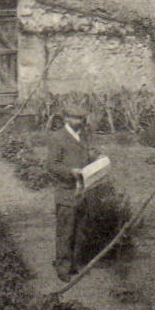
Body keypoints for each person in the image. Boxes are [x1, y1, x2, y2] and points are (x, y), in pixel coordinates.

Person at [44, 101, 96, 279]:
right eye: (75, 118)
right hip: (66, 190)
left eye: (81, 118)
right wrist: (70, 172)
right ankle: (63, 268)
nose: (79, 121)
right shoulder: (58, 137)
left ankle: (74, 263)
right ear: (66, 118)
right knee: (65, 231)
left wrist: (97, 160)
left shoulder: (83, 136)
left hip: (82, 190)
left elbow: (86, 157)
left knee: (79, 229)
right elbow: (52, 165)